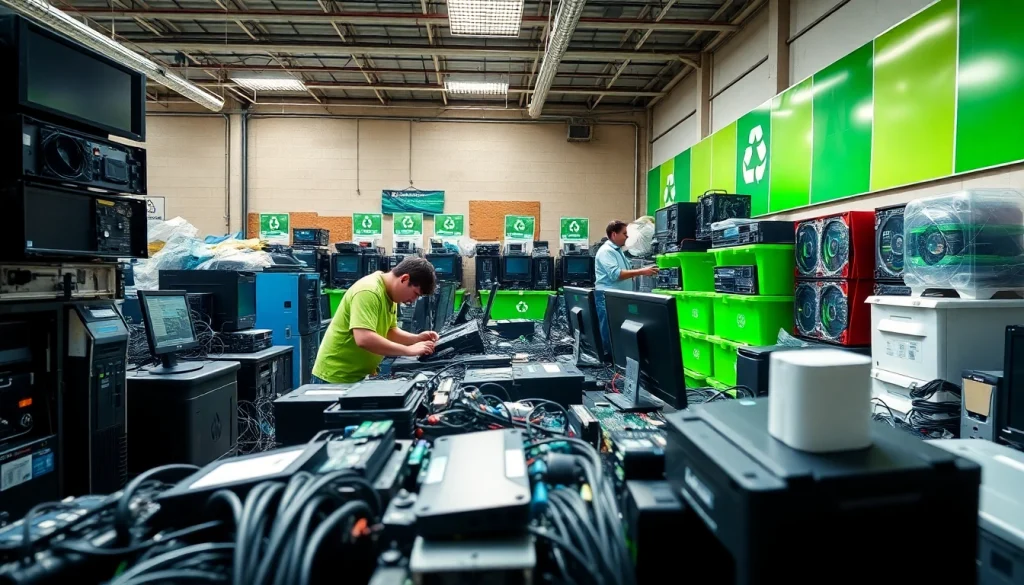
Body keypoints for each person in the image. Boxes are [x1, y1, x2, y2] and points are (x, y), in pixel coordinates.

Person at [312, 256, 438, 384]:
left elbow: (389, 331)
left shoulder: (390, 294)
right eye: (416, 294)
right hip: (334, 378)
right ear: (404, 279)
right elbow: (364, 338)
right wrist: (409, 350)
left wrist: (416, 339)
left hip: (356, 377)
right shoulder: (369, 291)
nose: (413, 300)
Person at [594, 220, 658, 351]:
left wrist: (646, 268)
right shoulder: (607, 251)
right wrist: (642, 272)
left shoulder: (618, 251)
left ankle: (616, 359)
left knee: (616, 329)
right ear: (613, 234)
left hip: (616, 297)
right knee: (609, 329)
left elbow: (627, 269)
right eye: (624, 233)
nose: (627, 237)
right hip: (607, 296)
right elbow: (616, 274)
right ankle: (608, 360)